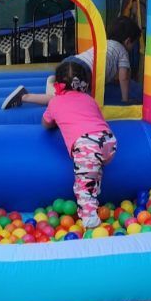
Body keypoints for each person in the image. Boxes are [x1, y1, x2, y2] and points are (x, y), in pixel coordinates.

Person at [40, 58, 117, 230]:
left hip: (86, 144)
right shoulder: (89, 100)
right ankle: (94, 198)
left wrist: (56, 118)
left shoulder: (55, 102)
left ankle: (90, 221)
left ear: (58, 84)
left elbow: (45, 124)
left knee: (83, 184)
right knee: (92, 173)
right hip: (108, 141)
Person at [1, 15, 142, 109]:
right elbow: (124, 77)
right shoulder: (122, 51)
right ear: (128, 41)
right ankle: (25, 96)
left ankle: (53, 82)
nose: (132, 48)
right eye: (133, 45)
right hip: (82, 71)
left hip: (71, 62)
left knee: (65, 89)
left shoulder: (104, 43)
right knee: (65, 101)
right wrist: (125, 99)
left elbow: (103, 67)